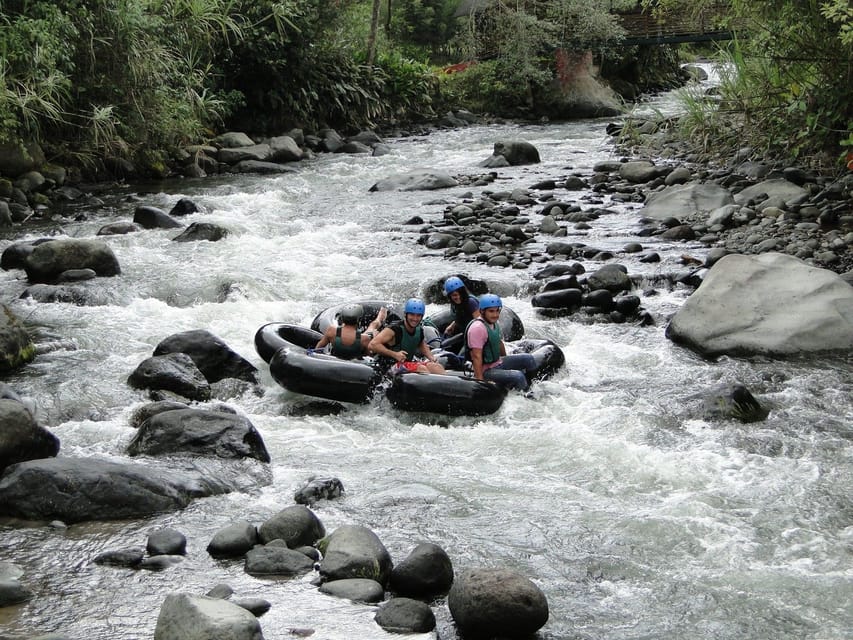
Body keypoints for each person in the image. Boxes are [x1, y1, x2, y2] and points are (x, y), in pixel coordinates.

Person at [465, 294, 535, 391]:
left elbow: (499, 343)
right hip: (485, 370)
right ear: (482, 311)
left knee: (528, 359)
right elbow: (476, 356)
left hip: (497, 363)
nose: (495, 315)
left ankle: (532, 387)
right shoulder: (477, 328)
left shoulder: (493, 323)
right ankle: (526, 396)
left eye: (497, 310)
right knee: (518, 376)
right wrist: (480, 383)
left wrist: (507, 363)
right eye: (491, 311)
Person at [368, 298, 445, 374]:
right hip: (388, 366)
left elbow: (421, 344)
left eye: (418, 315)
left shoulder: (419, 330)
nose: (415, 319)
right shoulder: (394, 329)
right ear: (405, 314)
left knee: (437, 367)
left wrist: (431, 357)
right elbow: (372, 345)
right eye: (412, 315)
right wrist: (394, 354)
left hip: (407, 364)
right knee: (421, 368)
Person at [315, 304, 386, 359]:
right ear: (359, 320)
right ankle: (382, 314)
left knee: (372, 327)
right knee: (373, 325)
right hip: (354, 365)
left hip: (335, 359)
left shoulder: (331, 330)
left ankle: (380, 316)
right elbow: (369, 357)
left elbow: (318, 348)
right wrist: (374, 338)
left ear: (342, 318)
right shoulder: (365, 339)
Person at [442, 276, 480, 341]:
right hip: (466, 332)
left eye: (460, 294)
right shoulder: (455, 304)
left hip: (475, 335)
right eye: (454, 295)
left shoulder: (471, 302)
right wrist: (452, 325)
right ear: (450, 296)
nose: (458, 297)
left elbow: (479, 324)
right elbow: (461, 316)